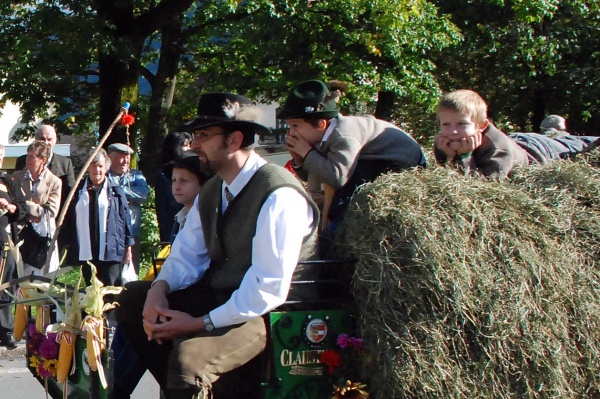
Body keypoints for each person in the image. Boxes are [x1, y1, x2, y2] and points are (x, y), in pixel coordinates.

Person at [115, 92, 319, 399]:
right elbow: (185, 254)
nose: (194, 144)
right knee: (131, 298)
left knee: (187, 364)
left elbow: (267, 289)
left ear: (234, 140)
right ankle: (190, 388)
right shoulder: (214, 190)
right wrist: (159, 290)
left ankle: (188, 381)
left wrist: (198, 324)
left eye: (203, 135)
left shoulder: (279, 195)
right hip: (221, 298)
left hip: (266, 314)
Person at [112, 150, 212, 398]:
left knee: (142, 318)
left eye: (184, 181)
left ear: (202, 184)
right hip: (178, 289)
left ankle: (119, 388)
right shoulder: (182, 217)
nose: (176, 187)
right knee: (128, 318)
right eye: (174, 181)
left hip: (199, 294)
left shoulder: (203, 216)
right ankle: (113, 380)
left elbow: (196, 265)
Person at [278, 79, 426, 230]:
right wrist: (299, 159)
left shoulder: (343, 136)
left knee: (344, 199)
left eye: (295, 126)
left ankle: (334, 233)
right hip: (372, 159)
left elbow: (337, 178)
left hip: (399, 159)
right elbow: (318, 171)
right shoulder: (320, 136)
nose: (291, 133)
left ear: (321, 124)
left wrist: (307, 152)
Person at [433, 90, 599, 180]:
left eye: (462, 124)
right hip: (516, 139)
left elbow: (484, 186)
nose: (453, 131)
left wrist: (465, 156)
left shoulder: (498, 150)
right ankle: (553, 131)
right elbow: (448, 175)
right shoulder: (444, 141)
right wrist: (447, 157)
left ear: (482, 126)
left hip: (540, 150)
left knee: (577, 146)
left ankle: (559, 133)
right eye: (446, 124)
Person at [63, 148, 134, 286]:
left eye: (100, 166)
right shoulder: (78, 190)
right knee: (91, 291)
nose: (97, 170)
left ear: (106, 167)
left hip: (111, 251)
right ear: (88, 167)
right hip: (87, 251)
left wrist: (128, 248)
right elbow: (69, 219)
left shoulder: (115, 190)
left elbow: (125, 220)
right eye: (94, 166)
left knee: (111, 291)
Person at [12, 141, 62, 275]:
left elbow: (51, 211)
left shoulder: (54, 182)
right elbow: (11, 201)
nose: (27, 160)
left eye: (32, 157)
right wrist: (29, 212)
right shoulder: (16, 177)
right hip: (20, 231)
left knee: (40, 275)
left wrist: (24, 204)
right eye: (27, 156)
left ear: (43, 160)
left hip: (42, 235)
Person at [0, 144, 28, 349]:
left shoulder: (8, 181)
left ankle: (5, 330)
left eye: (0, 156)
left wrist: (11, 207)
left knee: (6, 286)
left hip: (3, 241)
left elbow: (23, 209)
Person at [106, 143, 149, 273]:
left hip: (131, 232)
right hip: (109, 233)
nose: (126, 161)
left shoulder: (136, 176)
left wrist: (118, 190)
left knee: (131, 272)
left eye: (128, 158)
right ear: (110, 159)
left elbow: (143, 194)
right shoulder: (104, 176)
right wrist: (130, 194)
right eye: (121, 157)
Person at [155, 132, 192, 242]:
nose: (190, 148)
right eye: (185, 145)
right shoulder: (163, 175)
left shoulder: (199, 169)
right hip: (174, 229)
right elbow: (163, 212)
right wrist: (167, 240)